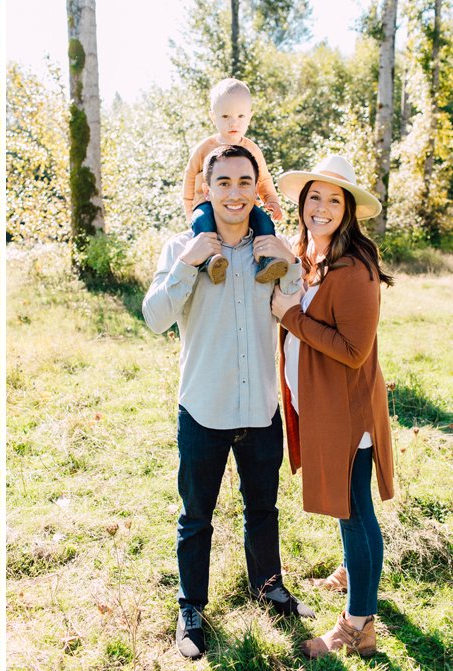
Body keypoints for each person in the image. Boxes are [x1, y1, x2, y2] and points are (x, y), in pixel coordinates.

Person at [143, 143, 314, 660]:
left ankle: (268, 586)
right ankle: (191, 608)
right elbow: (154, 318)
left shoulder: (274, 245)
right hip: (203, 407)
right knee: (196, 515)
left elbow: (299, 309)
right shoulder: (182, 246)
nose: (235, 194)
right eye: (224, 183)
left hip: (261, 406)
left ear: (256, 188)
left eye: (245, 183)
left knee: (263, 507)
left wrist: (290, 262)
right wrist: (189, 265)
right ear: (208, 189)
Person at [271, 155, 394, 659]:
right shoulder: (311, 256)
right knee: (349, 509)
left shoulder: (356, 268)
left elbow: (352, 350)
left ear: (347, 211)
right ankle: (354, 574)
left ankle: (357, 623)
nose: (321, 208)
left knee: (356, 511)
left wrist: (292, 316)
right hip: (324, 406)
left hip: (350, 412)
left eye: (333, 200)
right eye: (314, 197)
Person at [183, 78, 287, 284]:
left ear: (250, 116)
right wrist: (189, 211)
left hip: (245, 204)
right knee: (202, 222)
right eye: (225, 116)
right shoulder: (205, 148)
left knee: (264, 222)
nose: (234, 122)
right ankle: (211, 261)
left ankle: (267, 261)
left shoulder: (252, 149)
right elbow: (188, 177)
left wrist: (271, 200)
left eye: (240, 116)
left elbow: (264, 178)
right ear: (213, 117)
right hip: (206, 203)